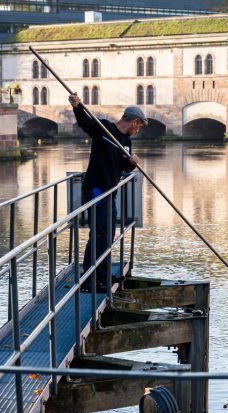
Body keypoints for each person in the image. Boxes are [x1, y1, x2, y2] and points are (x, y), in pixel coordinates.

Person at [69, 93, 146, 292]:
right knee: (100, 233)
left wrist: (131, 164)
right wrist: (77, 106)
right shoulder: (105, 128)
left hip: (109, 191)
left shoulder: (126, 142)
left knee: (108, 233)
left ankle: (102, 275)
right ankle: (89, 280)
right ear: (134, 121)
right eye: (139, 126)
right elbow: (85, 123)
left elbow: (123, 168)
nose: (138, 130)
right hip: (95, 189)